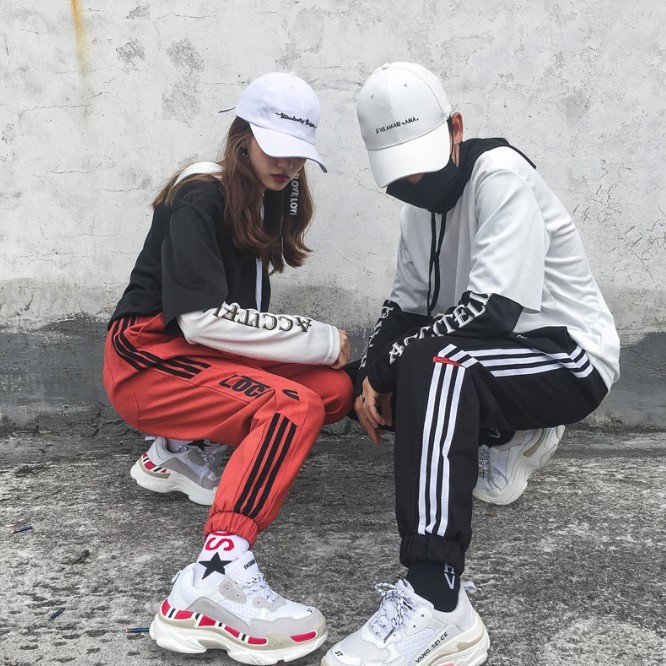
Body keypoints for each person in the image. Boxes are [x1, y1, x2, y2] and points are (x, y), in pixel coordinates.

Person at [323, 62, 620, 666]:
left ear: (455, 128)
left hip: (566, 356)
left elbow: (492, 312)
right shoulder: (416, 207)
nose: (415, 182)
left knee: (439, 367)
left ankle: (438, 600)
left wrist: (394, 364)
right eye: (399, 175)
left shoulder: (500, 175)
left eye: (422, 164)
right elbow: (404, 308)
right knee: (364, 386)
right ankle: (510, 434)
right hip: (490, 362)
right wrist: (373, 374)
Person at [102, 72, 353, 664]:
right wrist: (318, 338)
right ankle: (212, 580)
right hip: (146, 358)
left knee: (335, 390)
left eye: (299, 153)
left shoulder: (271, 194)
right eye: (276, 147)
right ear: (243, 136)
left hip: (200, 360)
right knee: (292, 407)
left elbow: (238, 322)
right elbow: (201, 321)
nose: (288, 163)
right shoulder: (201, 195)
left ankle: (179, 450)